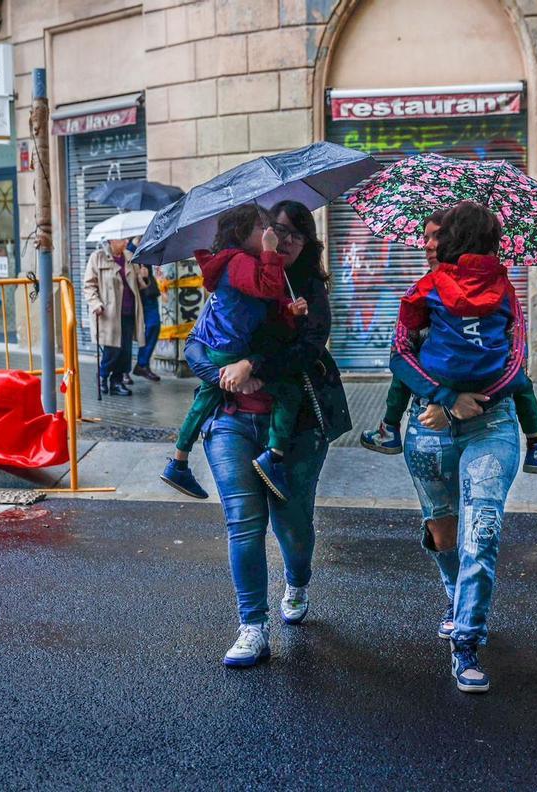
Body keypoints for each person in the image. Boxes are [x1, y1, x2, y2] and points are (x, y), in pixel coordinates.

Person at [185, 200, 350, 667]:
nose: (287, 240)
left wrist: (252, 364)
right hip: (232, 418)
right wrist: (221, 376)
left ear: (309, 240)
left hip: (295, 421)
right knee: (243, 520)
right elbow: (196, 343)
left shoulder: (309, 289)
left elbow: (307, 349)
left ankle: (297, 581)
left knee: (292, 524)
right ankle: (251, 627)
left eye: (298, 234)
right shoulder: (237, 275)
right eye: (278, 230)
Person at [389, 200, 526, 695]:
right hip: (429, 427)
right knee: (445, 534)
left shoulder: (506, 290)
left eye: (435, 236)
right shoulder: (420, 292)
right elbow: (399, 355)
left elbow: (517, 360)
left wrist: (478, 401)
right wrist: (447, 399)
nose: (425, 243)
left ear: (457, 241)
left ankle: (467, 641)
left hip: (494, 425)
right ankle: (455, 595)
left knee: (481, 531)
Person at [360, 212, 537, 474]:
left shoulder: (426, 287)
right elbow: (516, 369)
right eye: (426, 238)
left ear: (451, 242)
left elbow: (400, 352)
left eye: (438, 237)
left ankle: (389, 428)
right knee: (523, 385)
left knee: (441, 513)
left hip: (435, 408)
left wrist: (448, 401)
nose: (429, 245)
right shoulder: (504, 290)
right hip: (485, 401)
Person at [160, 205, 309, 503]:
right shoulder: (239, 261)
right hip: (228, 349)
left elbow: (259, 303)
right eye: (261, 228)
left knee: (205, 399)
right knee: (289, 392)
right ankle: (274, 456)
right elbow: (267, 288)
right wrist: (270, 251)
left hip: (223, 345)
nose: (269, 233)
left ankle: (178, 461)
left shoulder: (239, 261)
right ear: (241, 234)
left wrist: (287, 310)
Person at [82, 236, 147, 396]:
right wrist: (95, 303)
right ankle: (103, 376)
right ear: (111, 240)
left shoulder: (130, 257)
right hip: (109, 313)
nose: (126, 242)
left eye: (126, 239)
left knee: (125, 350)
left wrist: (144, 276)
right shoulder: (97, 257)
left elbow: (139, 285)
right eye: (121, 240)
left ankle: (117, 382)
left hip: (129, 311)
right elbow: (88, 286)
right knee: (112, 350)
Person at [132, 249, 162, 383]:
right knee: (127, 333)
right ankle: (121, 373)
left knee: (154, 325)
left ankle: (142, 364)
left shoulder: (149, 245)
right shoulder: (129, 249)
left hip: (149, 293)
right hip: (133, 296)